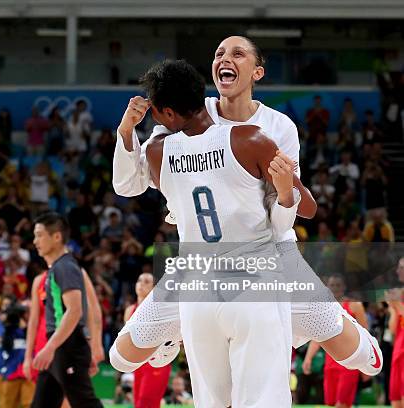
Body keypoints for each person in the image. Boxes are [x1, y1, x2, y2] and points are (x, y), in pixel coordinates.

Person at [110, 36, 382, 387]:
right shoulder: (188, 111)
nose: (226, 57)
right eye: (219, 52)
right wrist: (127, 131)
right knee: (121, 356)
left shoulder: (277, 127)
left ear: (257, 72)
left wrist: (285, 196)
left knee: (363, 359)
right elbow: (132, 182)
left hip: (269, 258)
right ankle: (173, 334)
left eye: (238, 53)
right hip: (202, 264)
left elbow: (292, 206)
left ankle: (336, 327)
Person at [30, 212, 102, 408]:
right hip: (63, 347)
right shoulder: (58, 268)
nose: (35, 241)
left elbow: (75, 311)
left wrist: (50, 347)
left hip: (66, 346)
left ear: (56, 237)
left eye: (39, 235)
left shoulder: (65, 267)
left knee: (85, 403)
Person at [303, 274, 367, 408]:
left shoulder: (355, 306)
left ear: (344, 287)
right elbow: (318, 337)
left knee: (341, 404)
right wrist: (308, 358)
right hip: (330, 364)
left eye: (338, 285)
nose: (335, 288)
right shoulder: (323, 308)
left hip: (350, 362)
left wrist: (365, 364)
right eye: (332, 285)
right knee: (330, 404)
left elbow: (365, 335)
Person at [124, 273, 170, 408]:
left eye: (146, 281)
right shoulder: (129, 310)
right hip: (137, 364)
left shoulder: (160, 308)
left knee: (146, 403)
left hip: (155, 362)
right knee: (138, 403)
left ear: (154, 287)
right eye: (139, 280)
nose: (141, 284)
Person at [386, 258, 404, 408]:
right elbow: (392, 329)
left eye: (402, 268)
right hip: (398, 354)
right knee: (396, 401)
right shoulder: (400, 294)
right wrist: (393, 308)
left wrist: (398, 306)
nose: (398, 271)